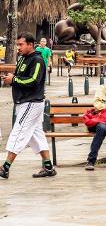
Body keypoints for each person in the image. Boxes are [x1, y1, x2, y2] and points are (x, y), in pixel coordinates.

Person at [0, 33, 56, 179]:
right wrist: (12, 78)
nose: (18, 47)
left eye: (21, 45)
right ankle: (48, 166)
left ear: (30, 45)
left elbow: (33, 80)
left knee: (18, 131)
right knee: (36, 135)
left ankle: (5, 167)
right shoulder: (23, 58)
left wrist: (14, 80)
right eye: (17, 45)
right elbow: (20, 76)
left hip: (31, 102)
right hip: (24, 102)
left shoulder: (37, 60)